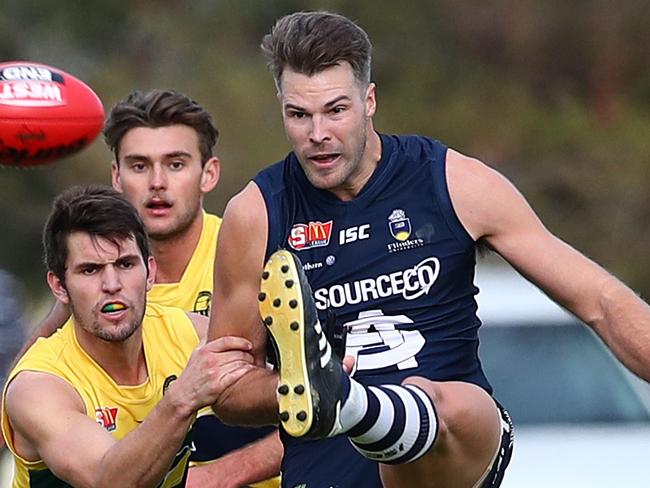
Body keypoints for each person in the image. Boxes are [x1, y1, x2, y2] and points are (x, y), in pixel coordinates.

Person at [208, 10, 650, 488]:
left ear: (369, 100)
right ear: (282, 108)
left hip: (449, 454)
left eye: (336, 110)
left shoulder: (453, 183)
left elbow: (601, 302)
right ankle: (330, 392)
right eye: (299, 115)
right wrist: (294, 391)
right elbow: (228, 391)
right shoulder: (257, 214)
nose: (318, 135)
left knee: (442, 404)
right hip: (325, 473)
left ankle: (348, 399)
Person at [3, 89, 282, 487]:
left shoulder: (248, 263)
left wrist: (219, 477)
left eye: (175, 163)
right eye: (139, 165)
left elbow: (311, 396)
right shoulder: (56, 351)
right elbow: (28, 391)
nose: (157, 183)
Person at [1, 185, 255, 487]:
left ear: (149, 273)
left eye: (125, 264)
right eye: (90, 270)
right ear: (59, 287)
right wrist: (182, 398)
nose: (112, 284)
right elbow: (110, 481)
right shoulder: (36, 387)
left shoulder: (188, 332)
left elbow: (275, 386)